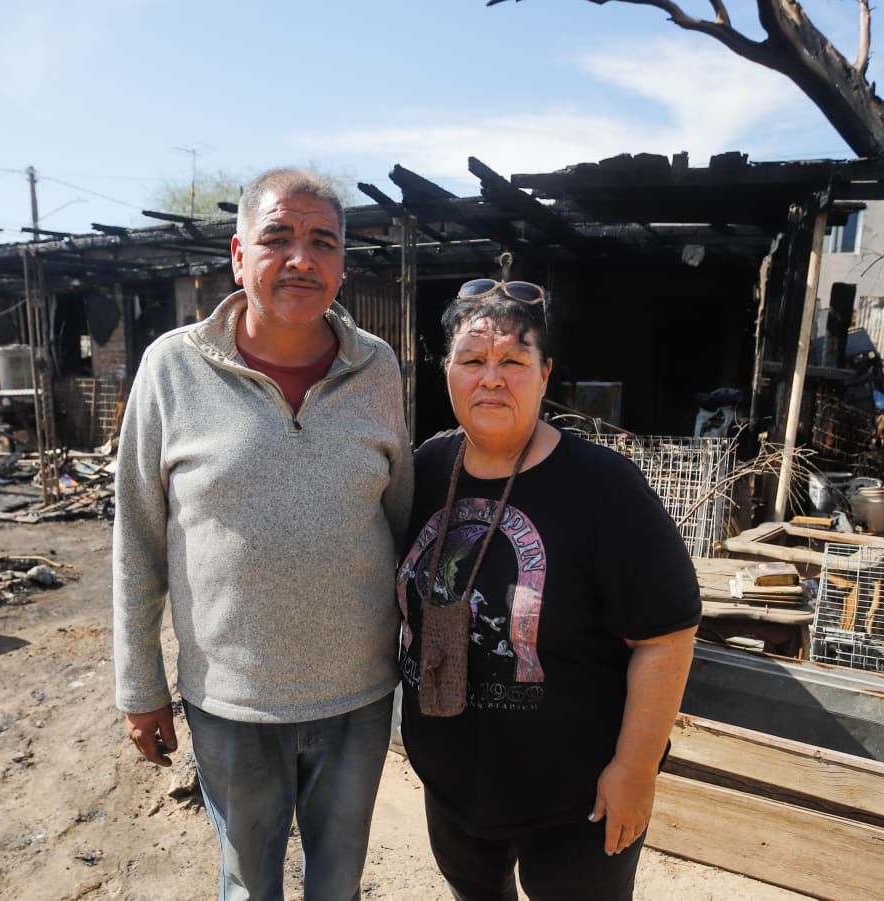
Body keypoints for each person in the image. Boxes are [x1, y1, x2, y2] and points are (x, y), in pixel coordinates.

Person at [113, 167, 413, 900]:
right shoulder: (172, 368)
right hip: (231, 700)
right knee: (249, 884)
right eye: (278, 237)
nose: (301, 259)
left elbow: (400, 518)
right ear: (238, 255)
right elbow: (138, 539)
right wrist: (140, 684)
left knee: (338, 883)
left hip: (358, 694)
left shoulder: (377, 368)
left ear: (342, 263)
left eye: (323, 242)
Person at [396, 279, 701, 901]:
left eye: (513, 360)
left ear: (545, 373)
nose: (491, 379)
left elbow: (666, 637)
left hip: (575, 797)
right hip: (454, 785)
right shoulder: (425, 469)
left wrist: (635, 769)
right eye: (472, 360)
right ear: (446, 371)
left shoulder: (603, 488)